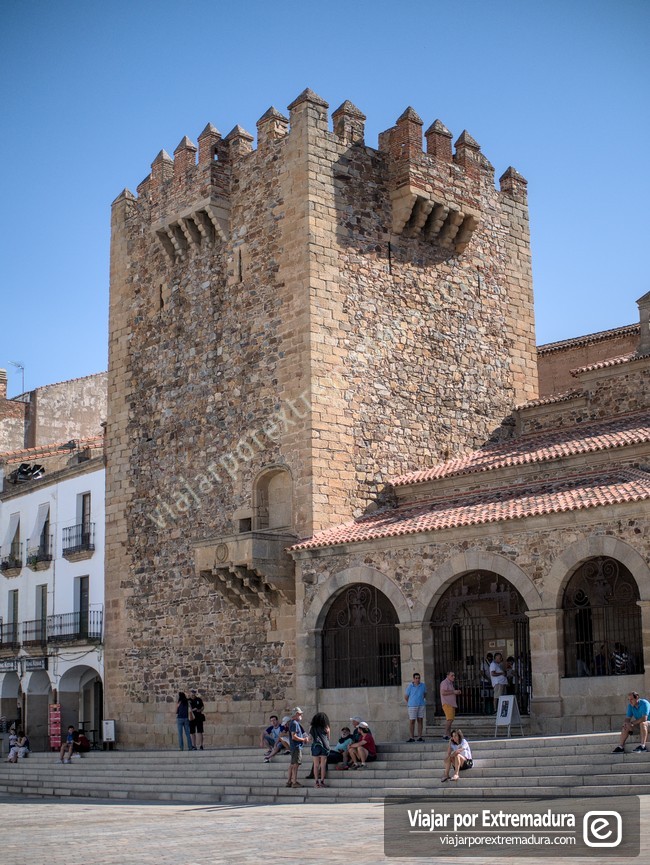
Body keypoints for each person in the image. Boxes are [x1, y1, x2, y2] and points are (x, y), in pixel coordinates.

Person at [286, 707, 309, 788]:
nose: (301, 715)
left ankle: (289, 781)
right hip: (296, 747)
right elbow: (294, 736)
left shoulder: (294, 723)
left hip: (294, 747)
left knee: (292, 764)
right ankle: (294, 782)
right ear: (296, 714)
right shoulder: (295, 723)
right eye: (299, 714)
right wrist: (303, 739)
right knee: (295, 765)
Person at [309, 711, 330, 788]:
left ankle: (316, 782)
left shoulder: (312, 727)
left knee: (316, 765)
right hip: (324, 746)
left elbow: (310, 738)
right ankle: (322, 781)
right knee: (323, 765)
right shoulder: (326, 727)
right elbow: (328, 738)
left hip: (315, 746)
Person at [404, 672, 427, 742]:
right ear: (413, 679)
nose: (417, 679)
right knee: (412, 721)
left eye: (418, 678)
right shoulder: (410, 686)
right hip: (412, 706)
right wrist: (411, 702)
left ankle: (419, 736)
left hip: (421, 705)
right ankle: (412, 737)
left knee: (420, 720)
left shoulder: (423, 685)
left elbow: (425, 694)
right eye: (416, 678)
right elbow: (406, 696)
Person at [439, 671, 461, 739]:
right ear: (448, 676)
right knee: (449, 719)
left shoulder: (450, 683)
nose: (453, 677)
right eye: (452, 675)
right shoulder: (444, 683)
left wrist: (456, 692)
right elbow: (443, 692)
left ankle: (448, 735)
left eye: (454, 675)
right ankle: (445, 734)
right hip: (447, 703)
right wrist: (454, 692)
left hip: (451, 704)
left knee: (450, 719)